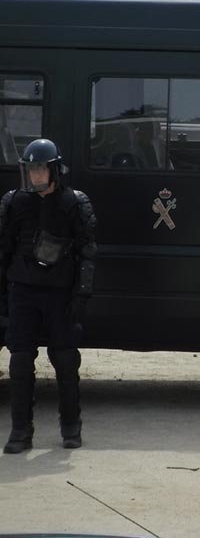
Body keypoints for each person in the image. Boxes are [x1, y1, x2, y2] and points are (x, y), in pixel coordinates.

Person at [1, 139, 97, 454]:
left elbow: (87, 252)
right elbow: (3, 250)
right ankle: (20, 431)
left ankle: (71, 427)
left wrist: (81, 294)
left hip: (60, 294)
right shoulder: (14, 203)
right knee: (20, 361)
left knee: (66, 360)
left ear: (54, 169)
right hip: (24, 292)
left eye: (41, 168)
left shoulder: (74, 203)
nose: (36, 174)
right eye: (32, 168)